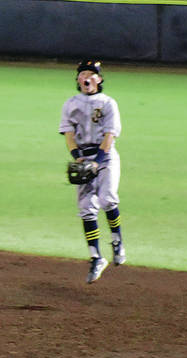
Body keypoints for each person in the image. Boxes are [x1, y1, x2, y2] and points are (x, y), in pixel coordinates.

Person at [59, 59, 125, 284]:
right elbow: (68, 134)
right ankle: (96, 257)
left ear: (99, 79)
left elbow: (110, 135)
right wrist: (77, 157)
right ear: (78, 79)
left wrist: (97, 160)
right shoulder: (70, 104)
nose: (86, 77)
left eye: (91, 74)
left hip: (105, 157)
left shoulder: (108, 103)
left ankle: (117, 241)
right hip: (84, 157)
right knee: (87, 209)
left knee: (107, 199)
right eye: (82, 74)